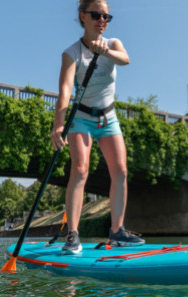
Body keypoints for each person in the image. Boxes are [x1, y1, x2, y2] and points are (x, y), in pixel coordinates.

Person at [50, 0, 145, 255]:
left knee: (121, 171)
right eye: (96, 15)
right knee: (80, 170)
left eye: (106, 16)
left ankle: (117, 232)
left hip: (109, 117)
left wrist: (105, 53)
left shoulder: (113, 44)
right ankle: (73, 234)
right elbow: (65, 91)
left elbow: (125, 60)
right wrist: (58, 126)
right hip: (80, 118)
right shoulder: (71, 53)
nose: (102, 20)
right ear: (83, 17)